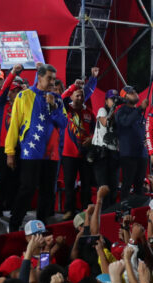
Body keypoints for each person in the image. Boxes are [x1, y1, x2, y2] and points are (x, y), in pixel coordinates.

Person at [5, 64, 67, 232]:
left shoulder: (58, 99)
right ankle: (14, 224)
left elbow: (63, 123)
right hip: (30, 152)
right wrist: (10, 152)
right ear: (39, 78)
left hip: (52, 154)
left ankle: (41, 226)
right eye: (49, 78)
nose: (53, 82)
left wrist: (54, 107)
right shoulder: (23, 96)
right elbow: (14, 125)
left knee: (47, 192)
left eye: (54, 79)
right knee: (27, 189)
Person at [60, 69, 98, 220]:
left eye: (82, 95)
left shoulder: (90, 113)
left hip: (84, 154)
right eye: (77, 95)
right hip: (68, 154)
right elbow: (60, 99)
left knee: (86, 184)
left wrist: (92, 138)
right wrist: (72, 87)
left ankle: (85, 209)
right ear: (71, 96)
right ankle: (69, 210)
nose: (80, 97)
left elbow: (97, 130)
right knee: (69, 184)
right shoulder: (66, 109)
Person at [0, 64, 24, 217]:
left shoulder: (24, 107)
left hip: (21, 147)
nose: (16, 94)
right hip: (4, 147)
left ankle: (12, 206)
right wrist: (12, 73)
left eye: (18, 91)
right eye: (13, 91)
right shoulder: (3, 105)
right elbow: (2, 90)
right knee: (2, 178)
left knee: (17, 178)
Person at [116, 85, 149, 203]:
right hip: (129, 154)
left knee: (140, 184)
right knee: (127, 183)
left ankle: (138, 209)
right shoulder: (121, 111)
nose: (135, 93)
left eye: (135, 91)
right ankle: (124, 211)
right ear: (124, 97)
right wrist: (140, 108)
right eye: (131, 92)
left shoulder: (139, 112)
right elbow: (126, 122)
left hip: (142, 154)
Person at [91, 89, 121, 208]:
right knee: (103, 186)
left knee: (114, 186)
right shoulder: (102, 110)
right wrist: (114, 107)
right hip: (101, 153)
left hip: (114, 153)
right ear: (106, 100)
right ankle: (102, 214)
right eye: (112, 99)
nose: (114, 101)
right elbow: (106, 122)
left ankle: (111, 213)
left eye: (116, 99)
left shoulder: (119, 113)